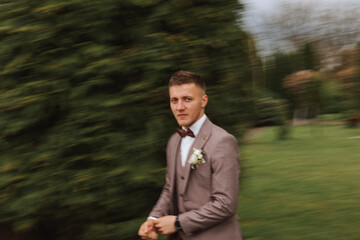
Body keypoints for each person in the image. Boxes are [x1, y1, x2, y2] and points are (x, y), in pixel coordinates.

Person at [138, 70, 243, 240]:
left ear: (204, 101)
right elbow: (169, 189)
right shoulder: (173, 141)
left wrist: (179, 222)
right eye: (174, 100)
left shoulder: (222, 141)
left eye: (187, 99)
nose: (179, 107)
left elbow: (225, 204)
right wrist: (153, 219)